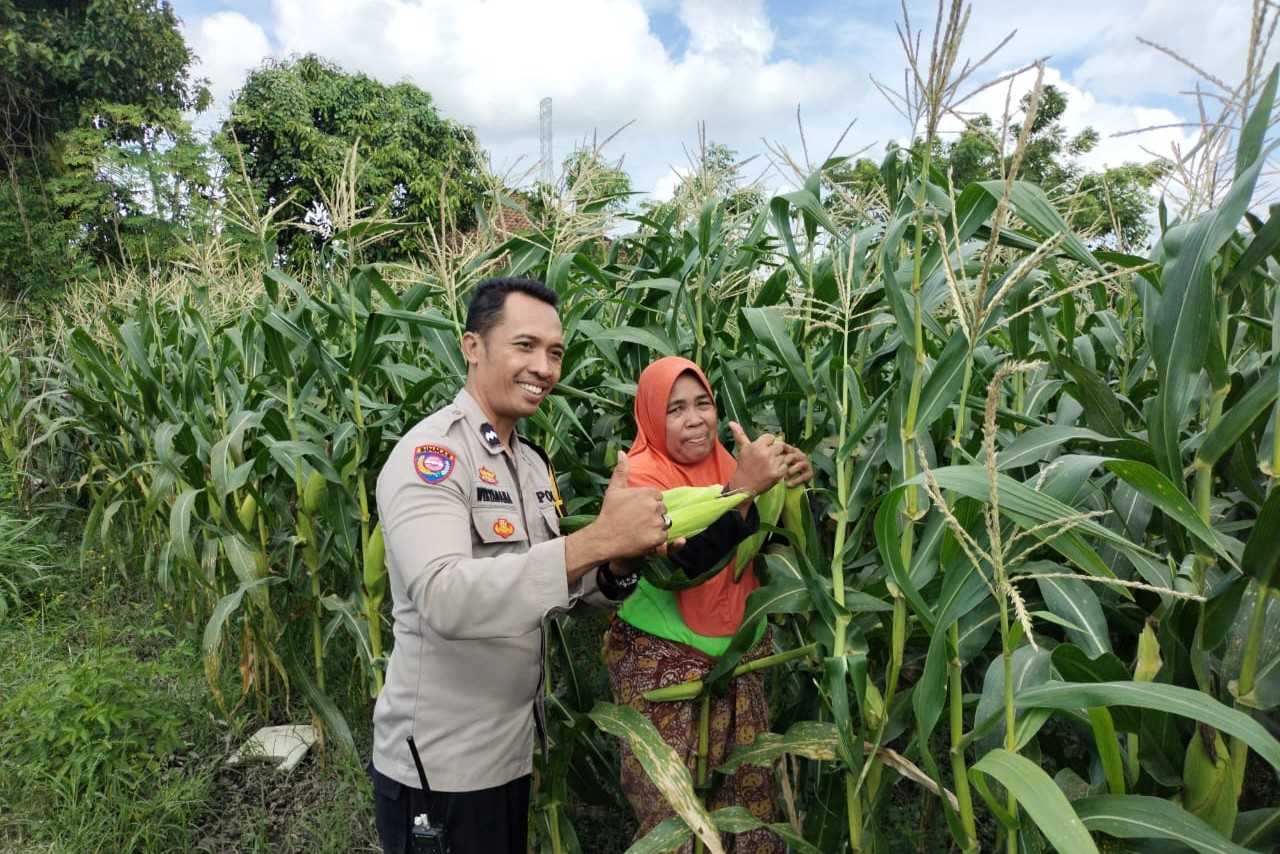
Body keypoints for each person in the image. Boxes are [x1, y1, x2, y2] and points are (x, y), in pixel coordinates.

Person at [370, 277, 669, 854]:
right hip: (440, 767)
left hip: (509, 754)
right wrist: (596, 538)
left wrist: (619, 559)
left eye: (555, 352)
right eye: (525, 346)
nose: (545, 367)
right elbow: (444, 596)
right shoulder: (430, 457)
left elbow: (559, 584)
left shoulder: (530, 465)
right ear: (472, 346)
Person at [603, 356, 814, 853]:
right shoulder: (639, 479)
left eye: (703, 403)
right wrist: (743, 489)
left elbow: (783, 548)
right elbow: (683, 566)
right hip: (661, 661)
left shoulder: (731, 461)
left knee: (747, 808)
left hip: (739, 652)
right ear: (652, 416)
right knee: (671, 815)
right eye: (675, 409)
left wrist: (796, 485)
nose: (695, 418)